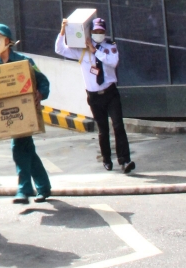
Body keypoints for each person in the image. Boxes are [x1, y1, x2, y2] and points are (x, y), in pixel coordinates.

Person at [0, 24, 52, 205]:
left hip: (25, 113)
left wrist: (40, 93)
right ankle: (43, 187)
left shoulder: (24, 62)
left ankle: (24, 189)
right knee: (28, 151)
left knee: (18, 148)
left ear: (8, 42)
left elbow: (43, 82)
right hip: (6, 115)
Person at [55, 17, 135, 173]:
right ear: (90, 32)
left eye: (101, 31)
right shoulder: (81, 50)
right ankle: (106, 159)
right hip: (94, 96)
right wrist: (63, 31)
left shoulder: (109, 46)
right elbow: (60, 49)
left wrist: (95, 50)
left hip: (110, 93)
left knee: (118, 125)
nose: (98, 33)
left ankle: (124, 160)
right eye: (96, 31)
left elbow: (113, 62)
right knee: (103, 129)